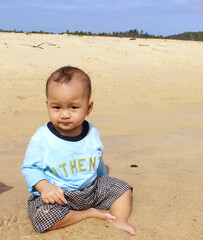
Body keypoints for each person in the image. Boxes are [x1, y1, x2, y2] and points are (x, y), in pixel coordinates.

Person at [21, 66, 136, 235]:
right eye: (57, 107)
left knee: (123, 189)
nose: (65, 114)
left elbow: (98, 160)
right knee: (42, 218)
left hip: (91, 188)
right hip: (59, 195)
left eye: (73, 107)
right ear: (47, 105)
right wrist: (45, 187)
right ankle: (86, 214)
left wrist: (104, 181)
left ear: (88, 108)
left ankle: (120, 219)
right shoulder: (42, 138)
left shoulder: (92, 133)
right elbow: (29, 168)